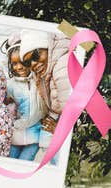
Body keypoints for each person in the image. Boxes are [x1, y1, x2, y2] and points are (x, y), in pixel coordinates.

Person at [19, 29, 71, 164]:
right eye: (27, 63)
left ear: (48, 47)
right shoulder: (44, 74)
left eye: (36, 55)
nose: (33, 64)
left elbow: (75, 112)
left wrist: (58, 129)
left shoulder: (62, 66)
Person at [4, 34, 47, 161]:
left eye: (22, 62)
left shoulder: (39, 79)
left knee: (24, 164)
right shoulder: (10, 85)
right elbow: (5, 104)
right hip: (15, 135)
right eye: (14, 63)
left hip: (35, 136)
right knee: (9, 163)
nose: (19, 67)